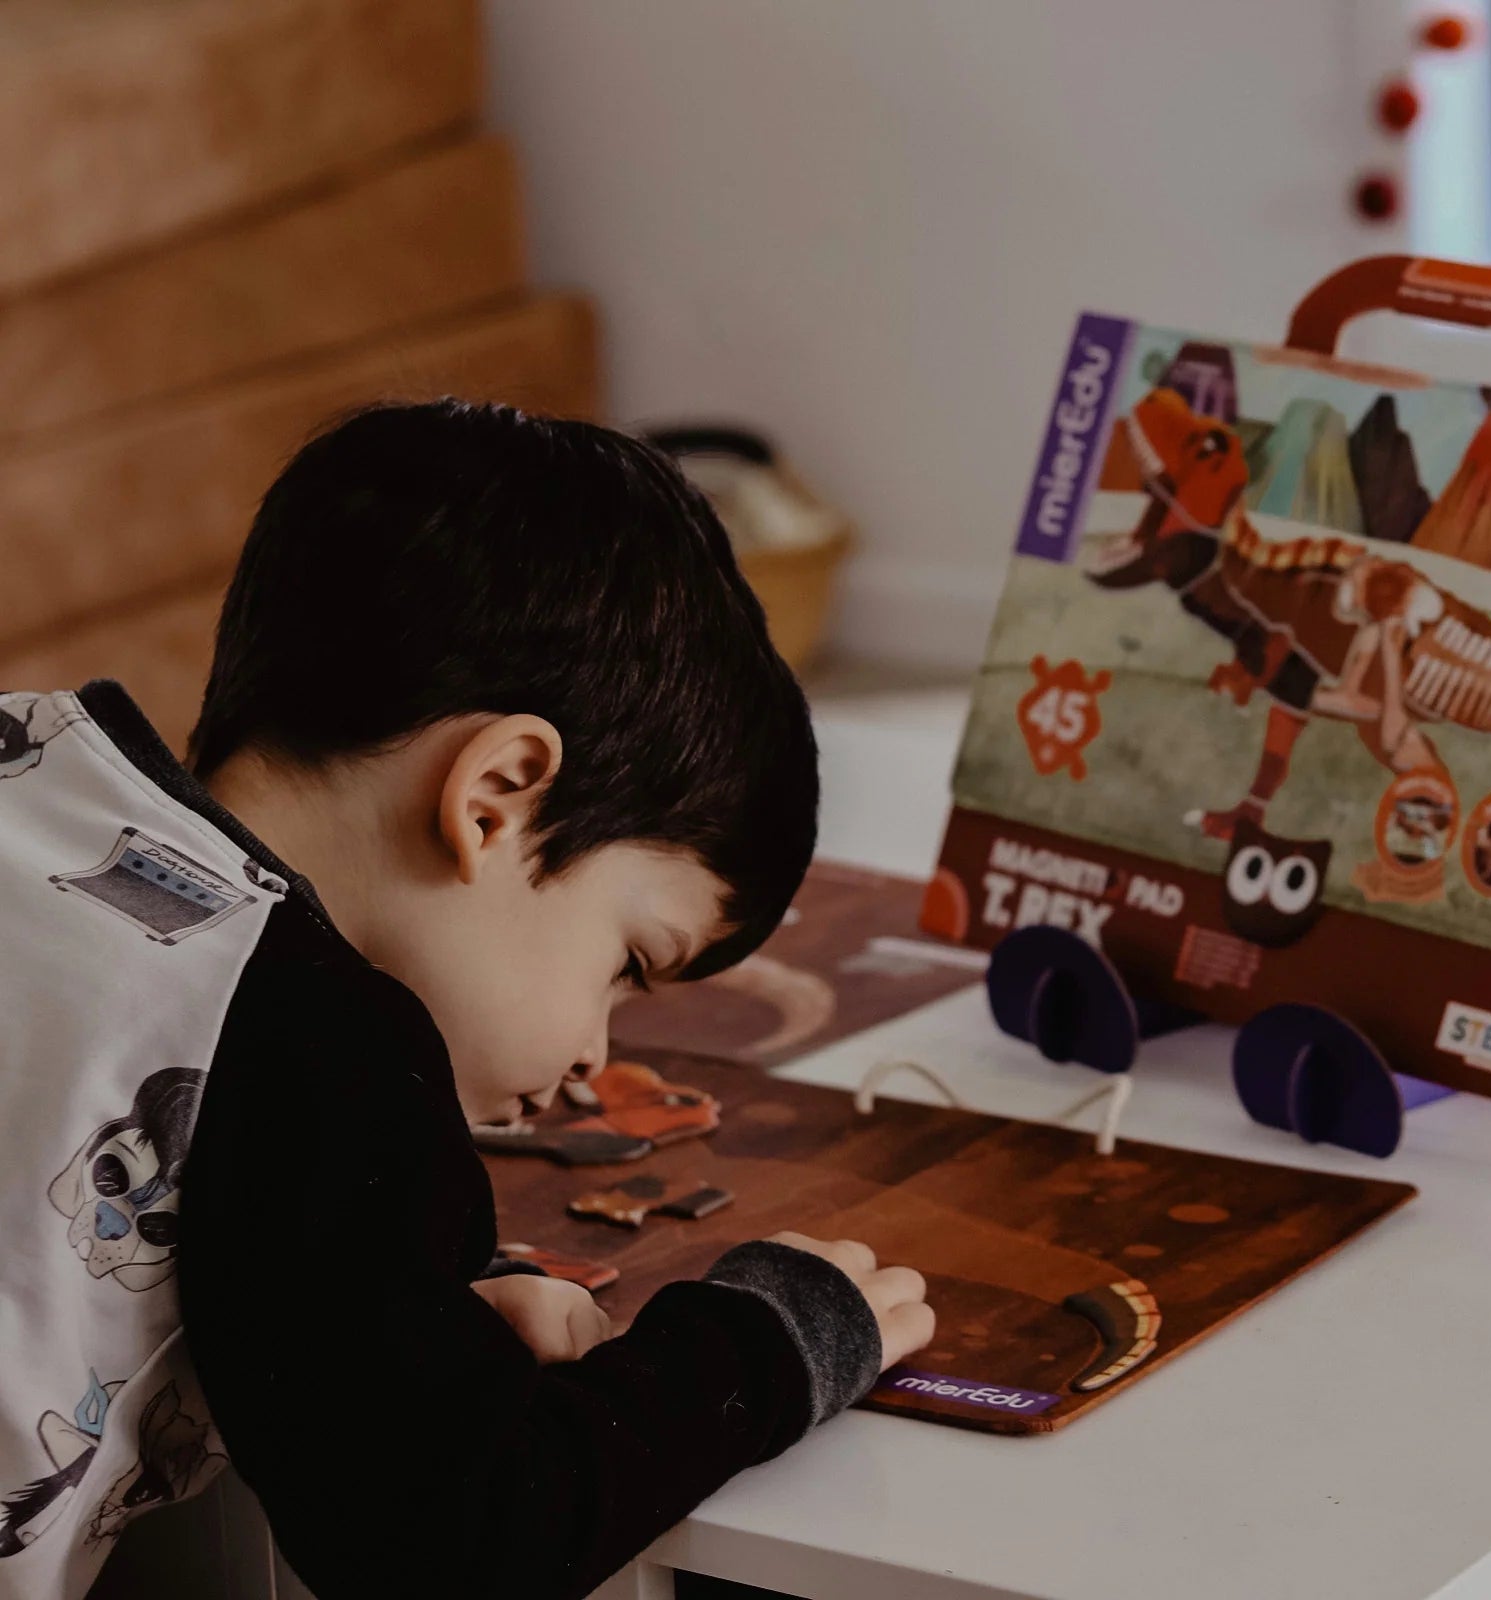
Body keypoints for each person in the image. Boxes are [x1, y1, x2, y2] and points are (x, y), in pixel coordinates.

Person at [0, 401, 934, 1600]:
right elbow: (459, 1541)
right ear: (496, 798)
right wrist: (766, 1345)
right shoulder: (325, 1047)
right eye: (629, 962)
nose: (595, 1054)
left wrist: (424, 1322)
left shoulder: (30, 758)